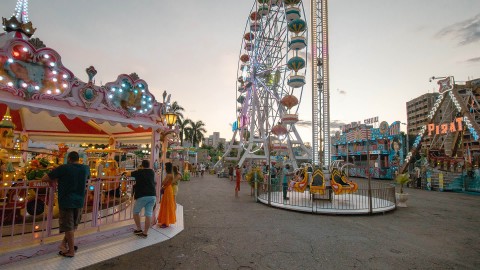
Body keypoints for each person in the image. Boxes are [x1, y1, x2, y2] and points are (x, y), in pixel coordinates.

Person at [42, 151, 90, 258]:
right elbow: (87, 178)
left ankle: (71, 251)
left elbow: (44, 178)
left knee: (68, 227)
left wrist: (55, 180)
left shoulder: (63, 168)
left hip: (66, 201)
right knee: (73, 226)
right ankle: (63, 244)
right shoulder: (86, 168)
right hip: (79, 201)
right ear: (78, 159)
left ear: (68, 159)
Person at [130, 160, 156, 238]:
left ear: (142, 165)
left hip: (142, 195)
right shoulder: (152, 172)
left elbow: (128, 174)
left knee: (135, 212)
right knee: (148, 214)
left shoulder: (139, 172)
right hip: (152, 195)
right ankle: (145, 233)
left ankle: (139, 229)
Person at [158, 162, 176, 228]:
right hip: (169, 189)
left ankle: (165, 222)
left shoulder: (168, 175)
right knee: (168, 205)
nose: (164, 167)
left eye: (165, 166)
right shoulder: (172, 174)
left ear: (167, 167)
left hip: (167, 190)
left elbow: (163, 182)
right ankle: (166, 221)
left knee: (166, 205)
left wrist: (160, 183)